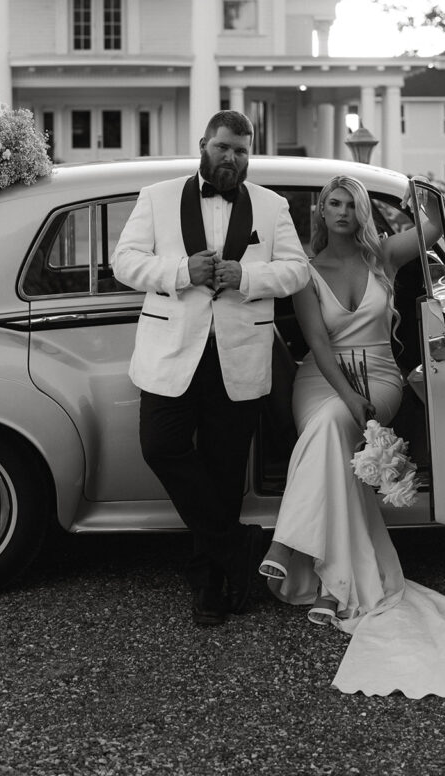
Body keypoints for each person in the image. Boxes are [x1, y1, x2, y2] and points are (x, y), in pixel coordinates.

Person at [259, 175, 445, 697]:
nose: (343, 212)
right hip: (321, 378)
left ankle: (291, 547)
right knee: (331, 425)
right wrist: (347, 398)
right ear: (320, 213)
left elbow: (433, 226)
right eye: (333, 203)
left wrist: (426, 190)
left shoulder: (383, 258)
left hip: (380, 376)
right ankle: (335, 585)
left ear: (363, 212)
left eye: (352, 203)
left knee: (333, 434)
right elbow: (318, 346)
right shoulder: (305, 270)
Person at [112, 110, 309, 628]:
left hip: (239, 356)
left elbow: (296, 271)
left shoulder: (272, 206)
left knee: (225, 473)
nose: (232, 158)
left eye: (242, 151)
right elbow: (125, 261)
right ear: (204, 144)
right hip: (172, 353)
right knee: (160, 445)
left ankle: (211, 585)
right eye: (224, 147)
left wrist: (247, 275)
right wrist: (181, 271)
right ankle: (235, 542)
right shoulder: (157, 197)